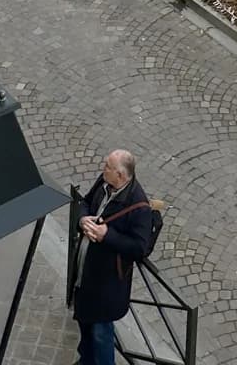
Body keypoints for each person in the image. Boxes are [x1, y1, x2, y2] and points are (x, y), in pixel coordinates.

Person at [72, 150, 153, 365]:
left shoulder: (139, 207)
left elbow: (139, 248)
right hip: (85, 271)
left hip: (107, 282)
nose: (103, 168)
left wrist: (107, 235)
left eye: (107, 166)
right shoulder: (105, 181)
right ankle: (86, 361)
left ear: (120, 175)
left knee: (101, 333)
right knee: (84, 322)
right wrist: (82, 220)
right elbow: (85, 203)